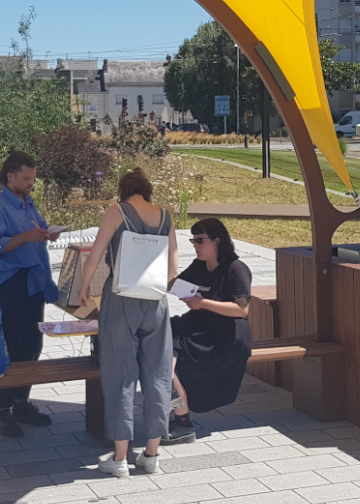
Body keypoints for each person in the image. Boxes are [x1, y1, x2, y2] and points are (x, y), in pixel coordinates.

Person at [78, 168, 177, 478]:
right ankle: (151, 454)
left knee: (120, 373)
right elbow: (173, 268)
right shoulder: (165, 216)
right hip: (156, 301)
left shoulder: (116, 212)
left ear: (123, 191)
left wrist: (83, 289)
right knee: (158, 374)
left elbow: (95, 256)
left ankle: (120, 458)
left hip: (121, 298)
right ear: (147, 191)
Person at [0, 151, 60, 438]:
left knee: (32, 344)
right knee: (11, 346)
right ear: (10, 176)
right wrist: (27, 237)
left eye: (34, 178)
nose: (31, 183)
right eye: (27, 178)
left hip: (34, 279)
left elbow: (35, 229)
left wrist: (46, 233)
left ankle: (21, 401)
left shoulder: (28, 202)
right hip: (13, 281)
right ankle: (2, 411)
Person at [166, 218, 252, 444]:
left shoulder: (235, 269)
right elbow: (173, 285)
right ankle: (175, 406)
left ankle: (182, 420)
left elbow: (242, 310)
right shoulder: (199, 266)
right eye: (193, 240)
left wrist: (202, 303)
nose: (195, 245)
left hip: (223, 337)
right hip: (197, 326)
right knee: (158, 340)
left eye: (200, 240)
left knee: (166, 362)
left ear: (217, 241)